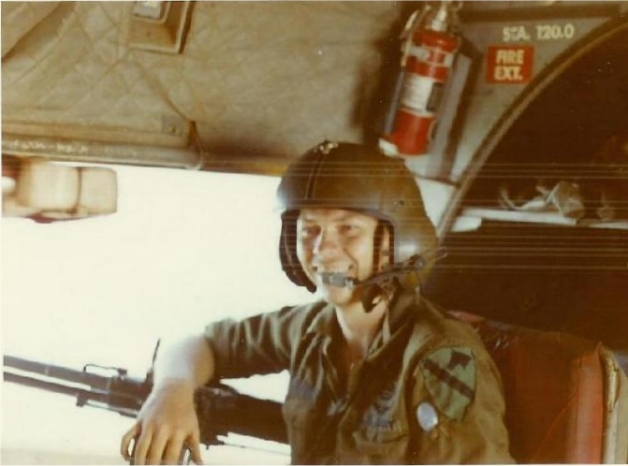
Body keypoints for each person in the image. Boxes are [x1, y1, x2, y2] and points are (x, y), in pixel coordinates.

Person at [120, 141, 513, 464]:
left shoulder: (440, 359)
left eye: (348, 229)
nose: (323, 250)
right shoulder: (310, 328)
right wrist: (171, 391)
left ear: (395, 242)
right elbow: (201, 344)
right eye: (310, 230)